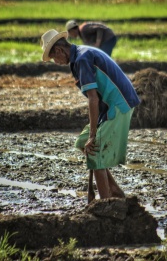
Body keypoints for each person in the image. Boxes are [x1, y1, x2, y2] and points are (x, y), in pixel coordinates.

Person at [40, 29, 140, 203]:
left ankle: (105, 203)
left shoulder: (81, 59)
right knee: (82, 142)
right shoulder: (80, 54)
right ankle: (114, 189)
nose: (56, 62)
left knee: (95, 152)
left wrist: (93, 135)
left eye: (54, 58)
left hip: (118, 104)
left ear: (59, 51)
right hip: (108, 105)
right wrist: (91, 132)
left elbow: (92, 99)